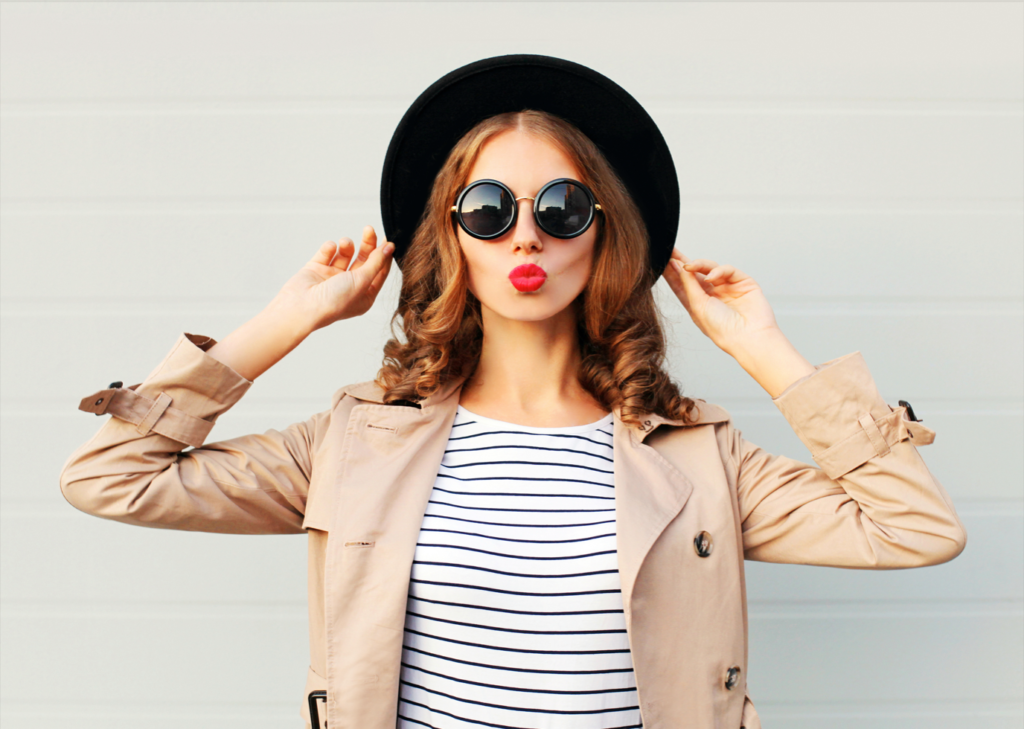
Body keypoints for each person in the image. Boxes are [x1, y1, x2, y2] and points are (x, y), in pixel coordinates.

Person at [60, 55, 967, 729]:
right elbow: (112, 475)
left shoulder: (698, 456)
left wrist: (767, 352)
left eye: (562, 209)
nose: (525, 238)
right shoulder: (353, 442)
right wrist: (284, 322)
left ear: (601, 233)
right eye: (489, 211)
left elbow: (914, 529)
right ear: (453, 236)